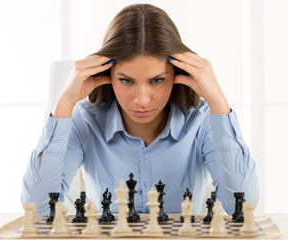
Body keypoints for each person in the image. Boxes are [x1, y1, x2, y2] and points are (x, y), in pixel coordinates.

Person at [21, 3, 259, 216]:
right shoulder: (85, 120)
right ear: (108, 76)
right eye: (126, 80)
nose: (142, 100)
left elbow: (243, 205)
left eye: (157, 80)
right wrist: (65, 102)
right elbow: (38, 208)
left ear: (177, 75)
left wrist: (218, 101)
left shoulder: (202, 119)